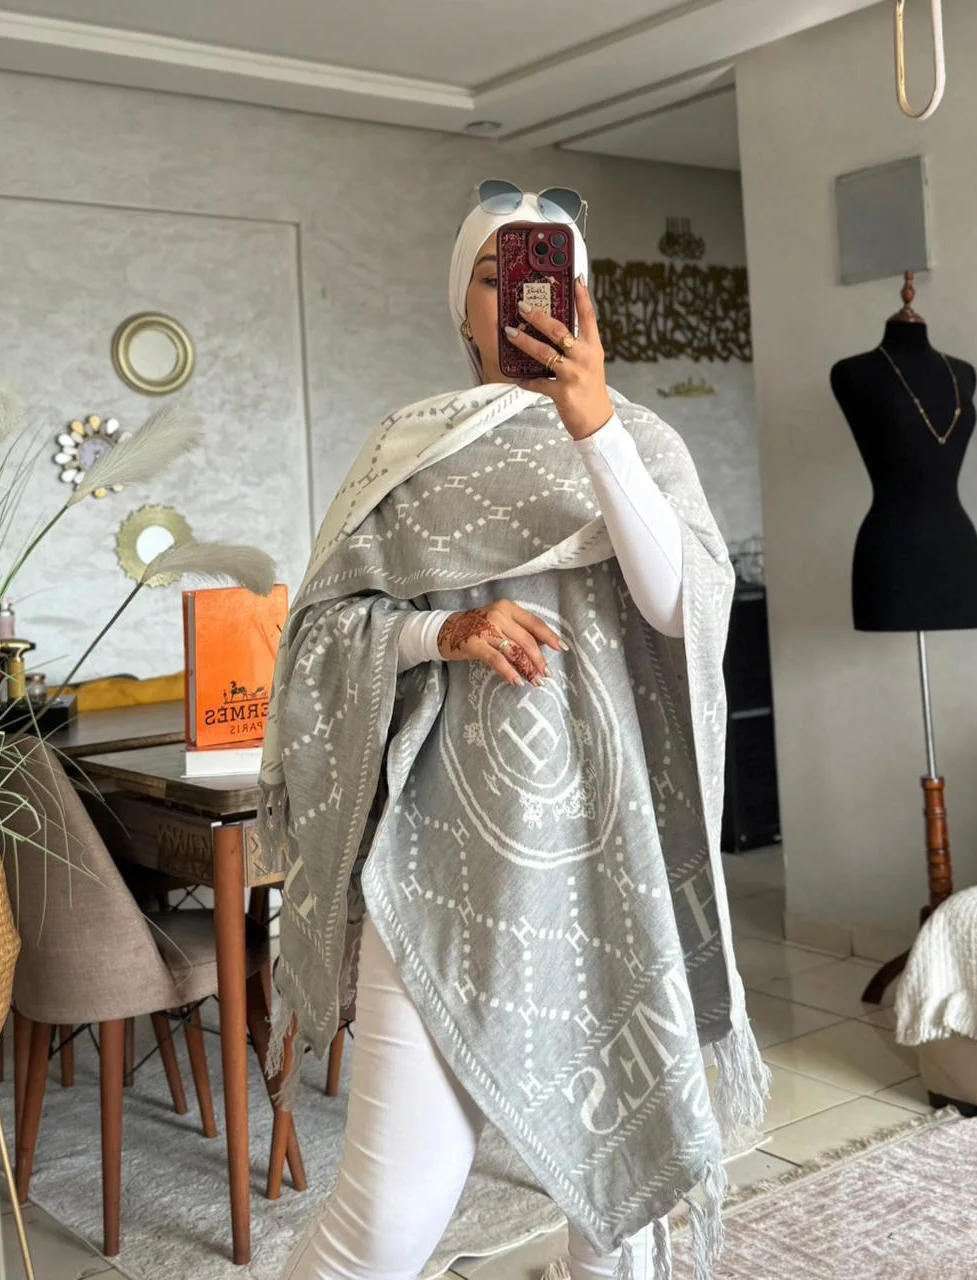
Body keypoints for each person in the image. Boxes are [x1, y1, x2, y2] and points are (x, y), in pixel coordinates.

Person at [261, 185, 768, 1280]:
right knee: (388, 1215)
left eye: (547, 274)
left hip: (611, 852)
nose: (523, 296)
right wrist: (443, 629)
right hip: (442, 857)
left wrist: (594, 426)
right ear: (463, 305)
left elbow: (684, 607)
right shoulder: (407, 453)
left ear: (581, 297)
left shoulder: (641, 438)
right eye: (497, 276)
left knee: (618, 1211)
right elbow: (323, 636)